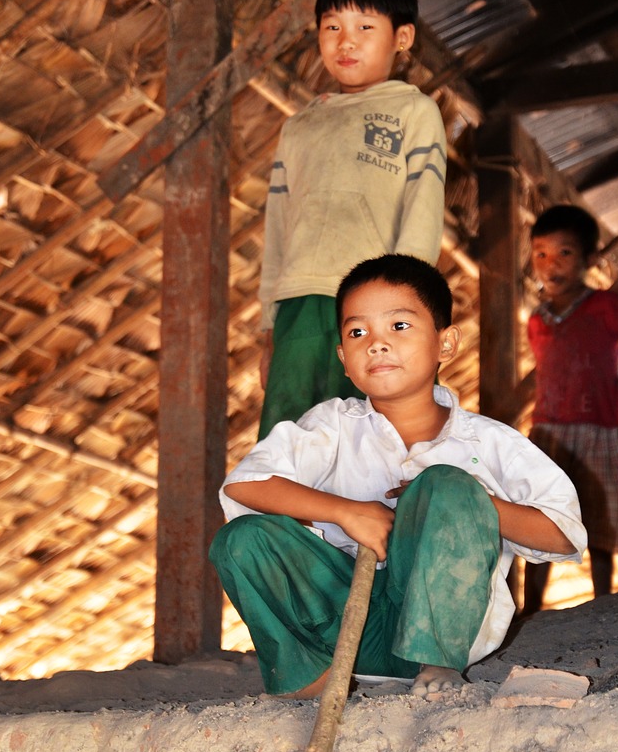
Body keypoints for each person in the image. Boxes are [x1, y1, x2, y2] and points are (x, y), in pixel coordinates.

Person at [210, 254, 586, 698]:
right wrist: (347, 512)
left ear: (445, 345)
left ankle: (437, 665)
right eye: (357, 332)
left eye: (399, 327)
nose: (376, 344)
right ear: (343, 359)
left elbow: (564, 534)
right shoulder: (331, 425)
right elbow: (244, 484)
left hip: (439, 633)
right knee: (240, 540)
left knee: (446, 484)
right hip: (345, 628)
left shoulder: (487, 442)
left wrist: (462, 506)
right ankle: (311, 678)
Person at [257, 0, 448, 438]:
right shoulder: (299, 126)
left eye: (365, 27)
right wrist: (267, 326)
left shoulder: (414, 111)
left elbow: (422, 213)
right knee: (290, 435)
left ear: (401, 38)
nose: (347, 41)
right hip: (299, 302)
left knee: (380, 435)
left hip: (376, 307)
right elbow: (278, 226)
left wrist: (408, 307)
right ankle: (286, 516)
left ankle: (374, 517)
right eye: (332, 27)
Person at [524, 203, 618, 611]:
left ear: (588, 259)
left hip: (597, 431)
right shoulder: (538, 319)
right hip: (548, 433)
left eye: (565, 252)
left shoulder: (605, 306)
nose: (551, 263)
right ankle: (530, 609)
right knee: (541, 522)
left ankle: (603, 607)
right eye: (541, 253)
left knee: (600, 528)